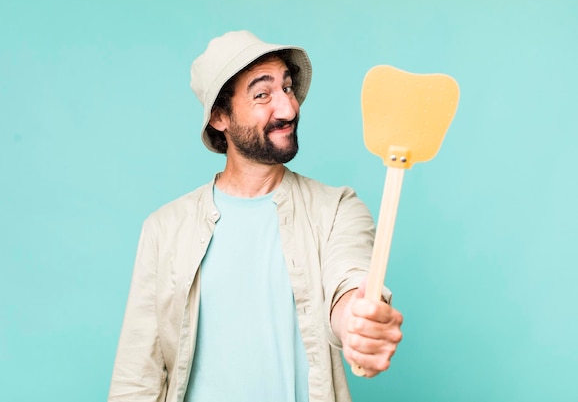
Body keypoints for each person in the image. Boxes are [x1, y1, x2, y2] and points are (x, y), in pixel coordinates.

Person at [108, 30, 403, 402]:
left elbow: (349, 287)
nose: (288, 109)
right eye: (262, 94)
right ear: (220, 116)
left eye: (288, 89)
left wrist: (359, 323)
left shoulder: (337, 208)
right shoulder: (164, 230)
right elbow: (137, 379)